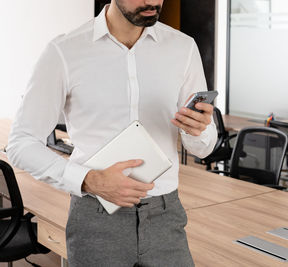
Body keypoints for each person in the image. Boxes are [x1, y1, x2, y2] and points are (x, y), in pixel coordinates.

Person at [7, 0, 217, 266]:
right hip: (95, 218)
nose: (152, 1)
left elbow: (203, 148)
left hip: (166, 217)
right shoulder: (64, 51)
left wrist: (197, 131)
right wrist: (89, 180)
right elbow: (21, 143)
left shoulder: (183, 48)